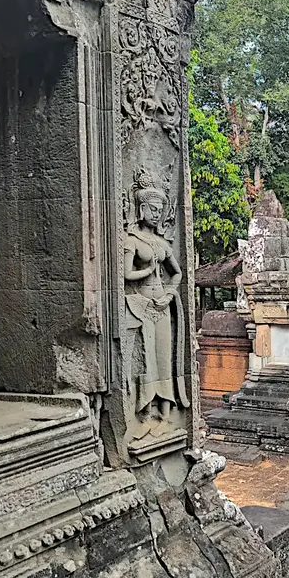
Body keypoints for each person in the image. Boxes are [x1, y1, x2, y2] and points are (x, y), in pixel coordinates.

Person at [123, 168, 188, 433]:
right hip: (140, 304)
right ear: (140, 208)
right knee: (146, 356)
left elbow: (178, 272)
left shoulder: (161, 242)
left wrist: (170, 295)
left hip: (163, 304)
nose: (157, 213)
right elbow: (126, 274)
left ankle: (166, 410)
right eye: (152, 208)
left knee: (163, 356)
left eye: (160, 209)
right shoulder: (131, 239)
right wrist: (147, 272)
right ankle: (146, 411)